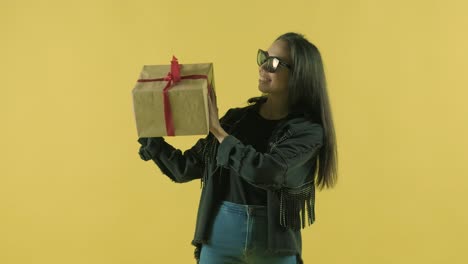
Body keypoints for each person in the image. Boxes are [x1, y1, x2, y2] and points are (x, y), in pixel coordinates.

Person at [137, 32, 338, 264]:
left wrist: (218, 131)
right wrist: (149, 128)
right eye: (263, 57)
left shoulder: (308, 132)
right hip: (220, 236)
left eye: (273, 63)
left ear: (299, 76)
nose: (263, 66)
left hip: (274, 245)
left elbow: (266, 171)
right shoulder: (237, 120)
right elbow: (183, 169)